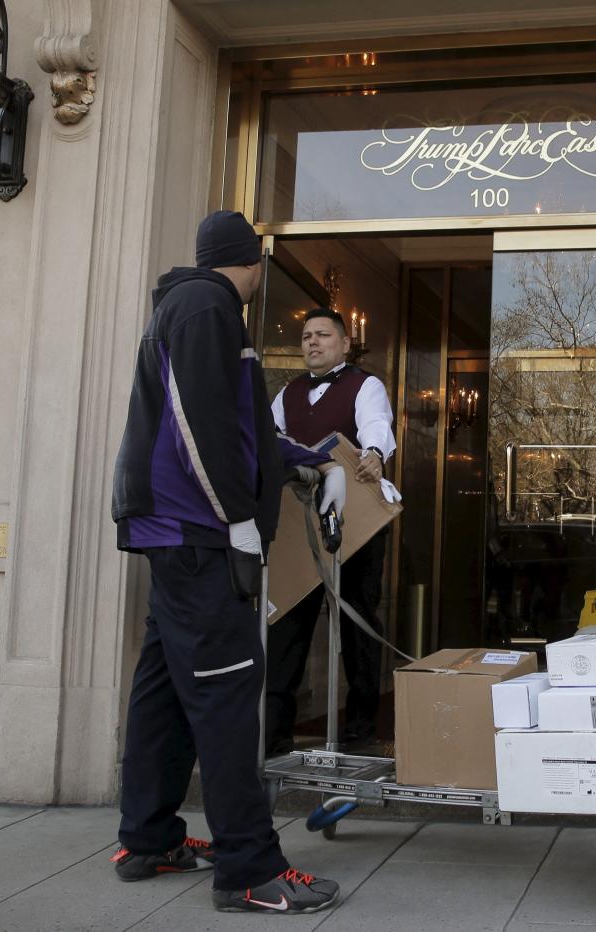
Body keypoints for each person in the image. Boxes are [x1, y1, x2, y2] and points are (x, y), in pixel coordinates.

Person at [110, 210, 344, 915]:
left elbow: (239, 429)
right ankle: (248, 868)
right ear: (251, 263)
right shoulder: (208, 307)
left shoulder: (188, 306)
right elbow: (201, 425)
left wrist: (316, 458)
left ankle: (147, 838)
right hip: (197, 532)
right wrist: (240, 519)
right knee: (228, 690)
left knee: (164, 689)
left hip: (175, 530)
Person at [265, 307, 396, 755]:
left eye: (322, 335)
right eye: (305, 336)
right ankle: (274, 732)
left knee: (357, 620)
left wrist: (375, 451)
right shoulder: (287, 394)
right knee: (288, 623)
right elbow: (268, 441)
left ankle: (361, 730)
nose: (312, 343)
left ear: (343, 343)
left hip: (353, 518)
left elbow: (376, 425)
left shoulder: (366, 385)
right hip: (300, 522)